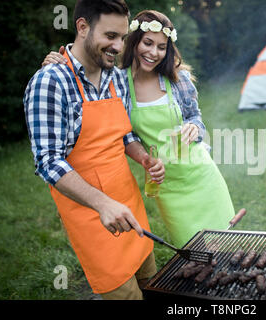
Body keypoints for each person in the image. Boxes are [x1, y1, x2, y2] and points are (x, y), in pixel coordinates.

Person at [43, 10, 236, 247]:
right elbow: (123, 131)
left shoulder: (178, 79)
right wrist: (57, 60)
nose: (153, 52)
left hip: (201, 175)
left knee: (225, 244)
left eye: (162, 47)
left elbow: (195, 117)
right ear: (133, 41)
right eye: (147, 43)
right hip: (166, 185)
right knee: (193, 248)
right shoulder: (117, 81)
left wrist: (194, 127)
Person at [24, 0, 165, 300]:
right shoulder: (50, 82)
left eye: (123, 37)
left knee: (151, 282)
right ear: (83, 27)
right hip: (91, 214)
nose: (119, 46)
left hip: (130, 204)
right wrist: (102, 204)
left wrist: (143, 157)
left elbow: (125, 135)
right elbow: (48, 162)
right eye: (110, 36)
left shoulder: (116, 77)